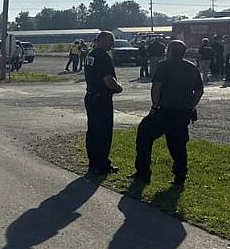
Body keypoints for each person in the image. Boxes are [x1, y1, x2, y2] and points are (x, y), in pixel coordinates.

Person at [132, 40, 203, 186]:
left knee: (144, 136)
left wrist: (154, 106)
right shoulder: (192, 67)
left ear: (170, 51)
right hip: (183, 113)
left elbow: (156, 87)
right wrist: (190, 105)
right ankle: (180, 176)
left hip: (164, 111)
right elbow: (199, 91)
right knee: (178, 145)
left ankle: (143, 173)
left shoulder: (164, 66)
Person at [83, 31, 123, 175]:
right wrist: (118, 88)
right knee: (104, 132)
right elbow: (108, 80)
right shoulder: (103, 56)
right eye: (111, 40)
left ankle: (93, 162)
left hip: (91, 96)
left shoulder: (91, 54)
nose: (112, 43)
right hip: (101, 99)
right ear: (103, 40)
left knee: (93, 130)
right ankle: (102, 165)